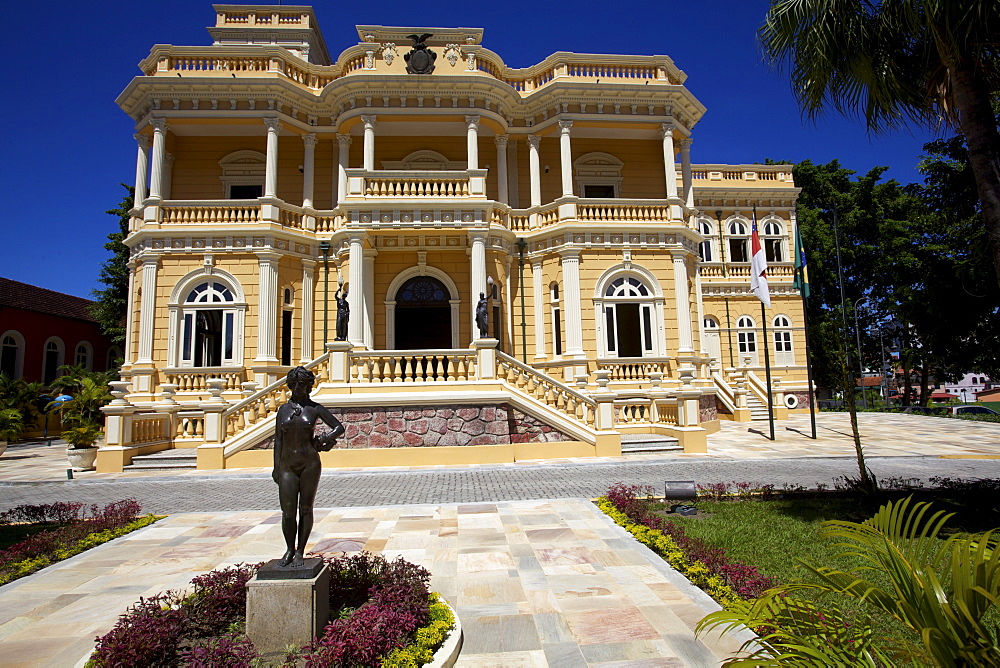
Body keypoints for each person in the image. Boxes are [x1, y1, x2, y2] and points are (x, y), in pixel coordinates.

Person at [272, 366, 345, 567]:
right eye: (295, 384)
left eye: (302, 385)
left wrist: (323, 439)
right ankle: (289, 549)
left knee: (305, 508)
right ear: (290, 386)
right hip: (287, 466)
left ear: (308, 386)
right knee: (287, 511)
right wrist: (276, 467)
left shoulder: (314, 409)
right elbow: (278, 440)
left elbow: (339, 427)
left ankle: (300, 551)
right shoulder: (283, 410)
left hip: (309, 464)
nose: (298, 388)